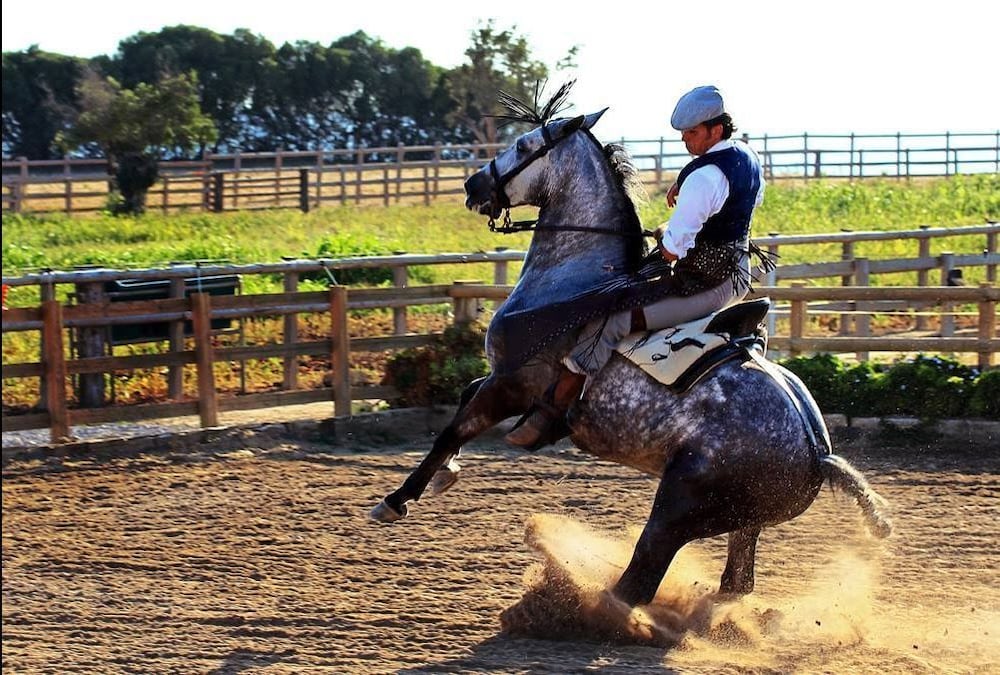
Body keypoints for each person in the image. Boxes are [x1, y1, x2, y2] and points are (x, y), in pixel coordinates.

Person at [506, 84, 767, 448]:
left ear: (716, 130)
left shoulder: (705, 178)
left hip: (705, 282)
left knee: (611, 320)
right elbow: (729, 197)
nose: (685, 141)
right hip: (734, 269)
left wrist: (665, 231)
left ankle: (553, 413)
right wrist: (685, 182)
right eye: (683, 135)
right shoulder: (743, 156)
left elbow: (674, 250)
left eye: (692, 134)